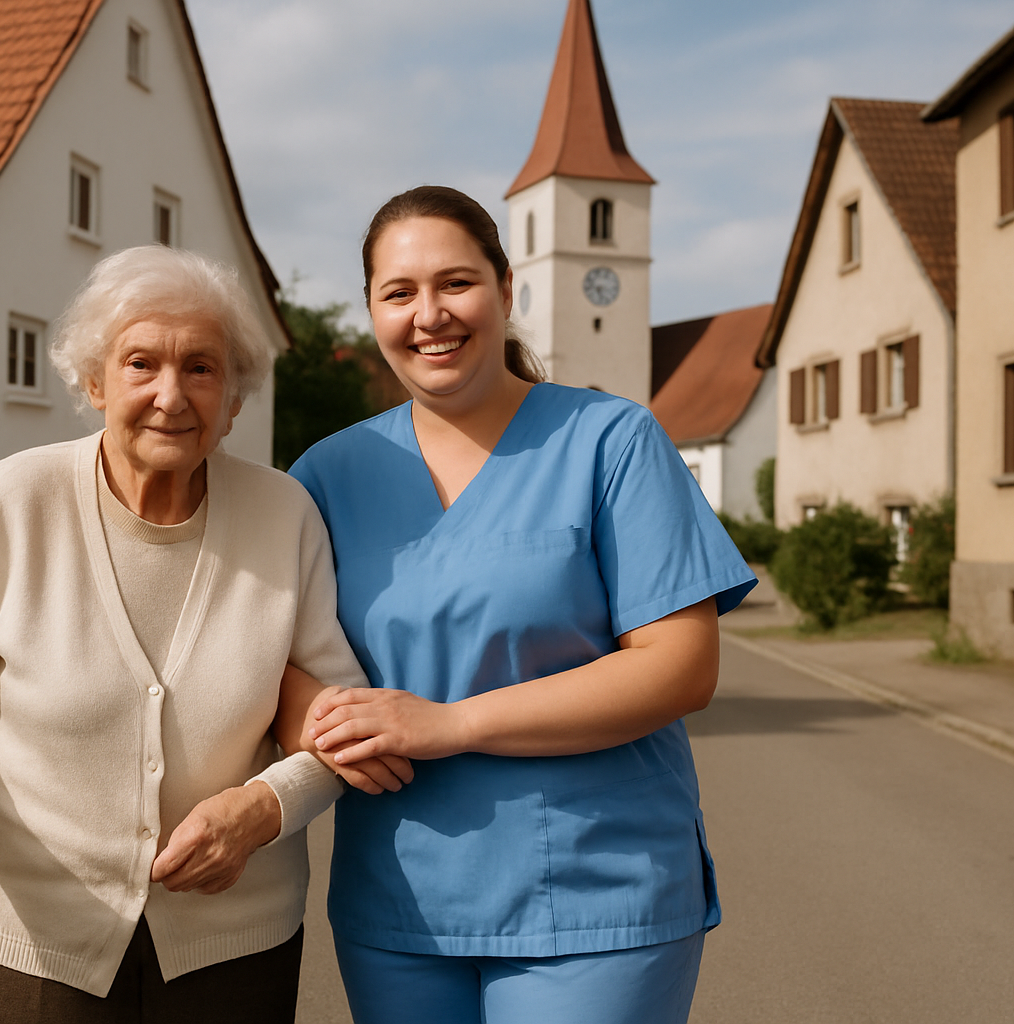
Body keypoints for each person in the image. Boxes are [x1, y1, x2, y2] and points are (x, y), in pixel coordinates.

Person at [0, 245, 410, 1024]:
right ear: (93, 383)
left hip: (236, 945)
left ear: (233, 399)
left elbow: (341, 725)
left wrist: (262, 807)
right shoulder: (18, 501)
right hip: (39, 941)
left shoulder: (283, 515)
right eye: (140, 364)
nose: (172, 395)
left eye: (201, 367)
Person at [283, 186, 756, 1024]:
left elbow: (682, 667)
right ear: (372, 312)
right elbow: (269, 648)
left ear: (507, 288)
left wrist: (448, 724)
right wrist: (311, 719)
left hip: (595, 897)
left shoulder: (612, 441)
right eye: (399, 293)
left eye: (456, 283)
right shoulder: (325, 475)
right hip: (400, 902)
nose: (430, 314)